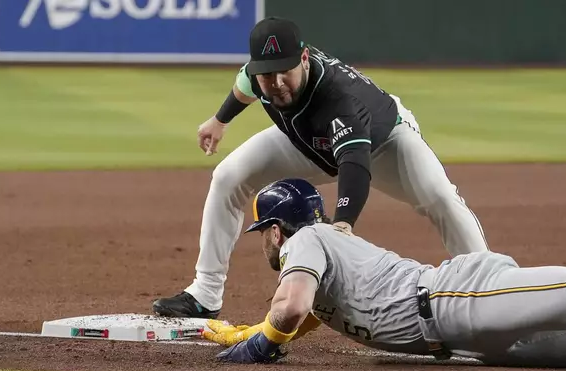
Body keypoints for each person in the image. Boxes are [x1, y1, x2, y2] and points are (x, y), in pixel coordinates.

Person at [152, 16, 488, 319]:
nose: (278, 81)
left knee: (440, 198)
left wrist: (342, 224)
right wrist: (219, 121)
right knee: (227, 177)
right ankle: (205, 295)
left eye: (286, 70)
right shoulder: (258, 76)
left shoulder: (338, 97)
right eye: (268, 74)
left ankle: (489, 286)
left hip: (384, 144)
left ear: (304, 58)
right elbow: (243, 87)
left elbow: (355, 165)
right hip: (310, 143)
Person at [202, 178, 566, 368]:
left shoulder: (305, 241)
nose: (263, 240)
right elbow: (311, 310)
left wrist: (262, 344)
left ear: (276, 231)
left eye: (262, 231)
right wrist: (252, 331)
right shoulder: (328, 250)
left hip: (457, 299)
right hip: (471, 339)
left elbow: (293, 308)